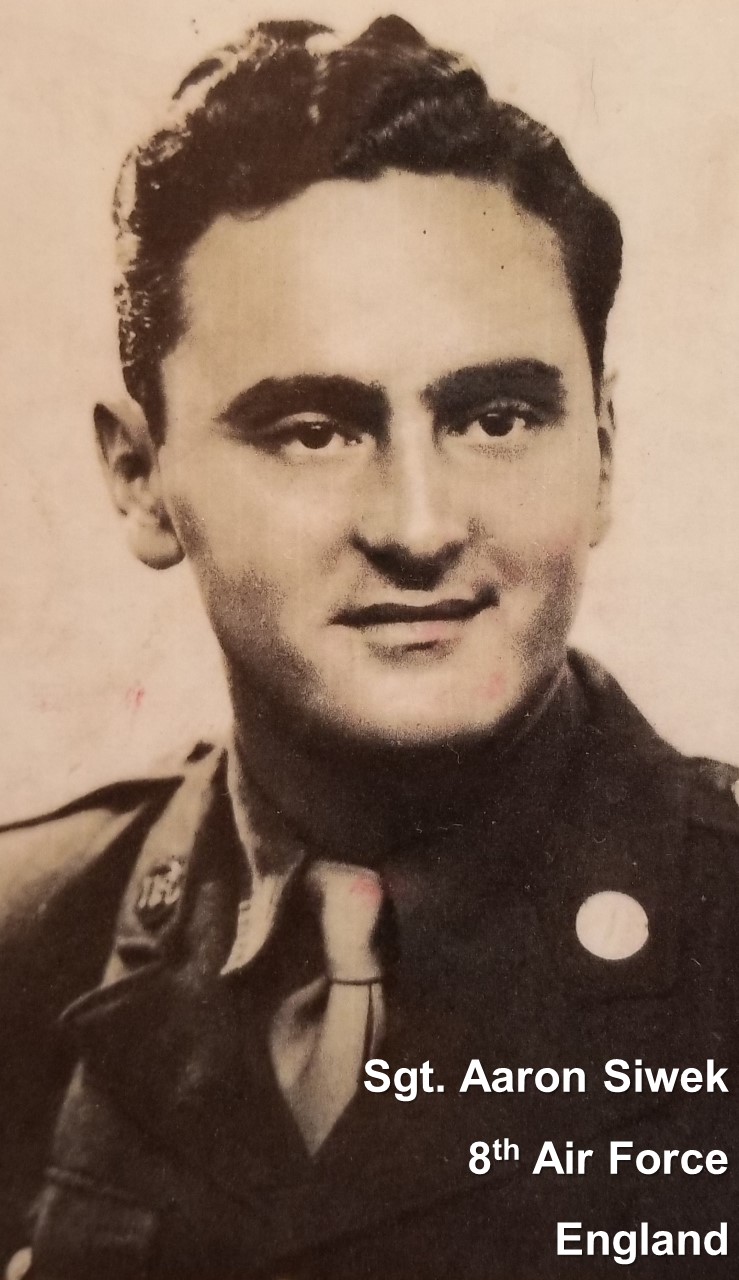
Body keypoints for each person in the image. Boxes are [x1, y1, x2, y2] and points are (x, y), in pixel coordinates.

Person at [0, 14, 736, 1279]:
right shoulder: (30, 940)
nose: (419, 524)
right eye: (312, 430)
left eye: (496, 417)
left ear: (604, 451)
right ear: (139, 477)